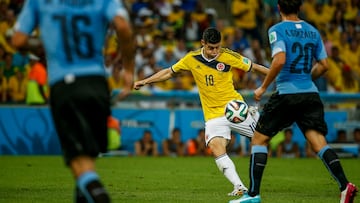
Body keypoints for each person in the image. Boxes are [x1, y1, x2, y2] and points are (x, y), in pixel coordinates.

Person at [229, 1, 358, 202]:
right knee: (319, 143)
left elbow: (279, 59)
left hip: (286, 94)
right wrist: (306, 79)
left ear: (279, 8)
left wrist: (263, 87)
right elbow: (324, 66)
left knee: (259, 140)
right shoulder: (313, 31)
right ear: (299, 7)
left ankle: (253, 195)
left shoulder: (277, 30)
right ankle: (345, 186)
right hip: (310, 95)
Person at [12, 1, 135, 203]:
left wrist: (43, 44)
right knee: (87, 162)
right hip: (97, 84)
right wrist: (129, 68)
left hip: (65, 85)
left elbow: (18, 41)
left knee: (80, 165)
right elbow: (122, 26)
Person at [134, 27, 269, 196]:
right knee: (216, 147)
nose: (214, 52)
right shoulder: (192, 58)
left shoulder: (228, 56)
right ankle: (239, 186)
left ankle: (254, 116)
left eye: (217, 47)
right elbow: (169, 72)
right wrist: (146, 81)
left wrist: (276, 74)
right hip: (213, 114)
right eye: (211, 48)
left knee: (262, 141)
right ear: (203, 43)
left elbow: (254, 67)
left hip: (234, 108)